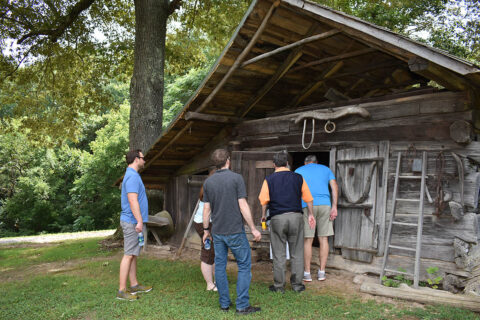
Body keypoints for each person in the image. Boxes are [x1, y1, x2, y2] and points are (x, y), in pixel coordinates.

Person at [202, 149, 262, 315]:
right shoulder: (236, 178)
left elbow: (206, 210)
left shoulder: (208, 182)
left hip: (218, 232)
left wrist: (206, 230)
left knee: (220, 266)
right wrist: (253, 228)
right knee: (244, 265)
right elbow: (243, 205)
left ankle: (224, 304)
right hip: (235, 231)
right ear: (228, 160)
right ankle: (242, 305)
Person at [258, 151, 315, 293]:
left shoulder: (269, 179)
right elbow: (308, 198)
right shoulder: (298, 178)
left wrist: (264, 215)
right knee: (297, 252)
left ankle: (279, 286)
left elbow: (264, 201)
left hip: (277, 218)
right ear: (287, 164)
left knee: (279, 253)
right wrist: (311, 215)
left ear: (274, 164)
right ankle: (297, 286)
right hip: (296, 217)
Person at [295, 155, 338, 282]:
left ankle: (307, 273)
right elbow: (334, 187)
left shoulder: (299, 170)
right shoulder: (326, 169)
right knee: (324, 238)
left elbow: (295, 189)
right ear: (316, 162)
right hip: (325, 205)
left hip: (307, 206)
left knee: (308, 239)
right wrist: (334, 206)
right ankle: (322, 272)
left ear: (305, 162)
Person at [117, 150, 153, 301]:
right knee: (128, 255)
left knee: (133, 254)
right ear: (137, 159)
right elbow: (132, 200)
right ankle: (121, 291)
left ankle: (134, 284)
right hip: (132, 221)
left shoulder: (133, 175)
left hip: (134, 221)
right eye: (143, 158)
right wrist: (139, 220)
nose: (145, 160)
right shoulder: (131, 176)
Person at [193, 167, 217, 291]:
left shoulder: (208, 186)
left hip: (206, 222)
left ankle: (215, 280)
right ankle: (209, 284)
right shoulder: (211, 188)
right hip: (204, 223)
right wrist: (206, 230)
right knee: (208, 251)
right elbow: (207, 211)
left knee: (213, 251)